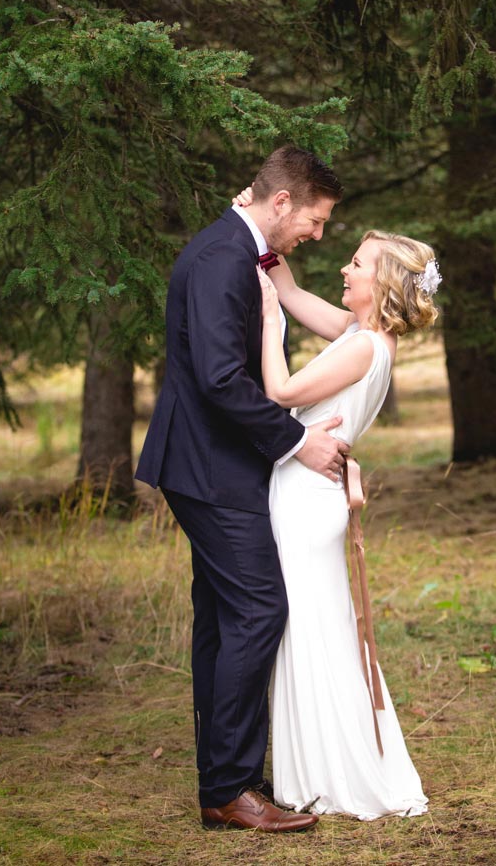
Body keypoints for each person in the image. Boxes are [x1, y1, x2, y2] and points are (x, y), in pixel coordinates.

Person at [135, 146, 349, 833]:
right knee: (259, 610)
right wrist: (297, 442)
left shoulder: (238, 249)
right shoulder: (223, 257)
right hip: (208, 465)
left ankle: (223, 781)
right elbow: (220, 380)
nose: (317, 235)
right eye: (314, 219)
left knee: (225, 620)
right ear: (282, 202)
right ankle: (230, 787)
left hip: (216, 462)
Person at [249, 202, 440, 818]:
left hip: (306, 500)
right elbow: (295, 289)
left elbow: (279, 393)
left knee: (312, 637)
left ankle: (332, 775)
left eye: (356, 263)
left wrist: (268, 320)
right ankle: (322, 766)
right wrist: (262, 244)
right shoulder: (361, 337)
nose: (345, 268)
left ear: (381, 284)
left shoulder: (362, 349)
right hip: (310, 495)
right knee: (319, 634)